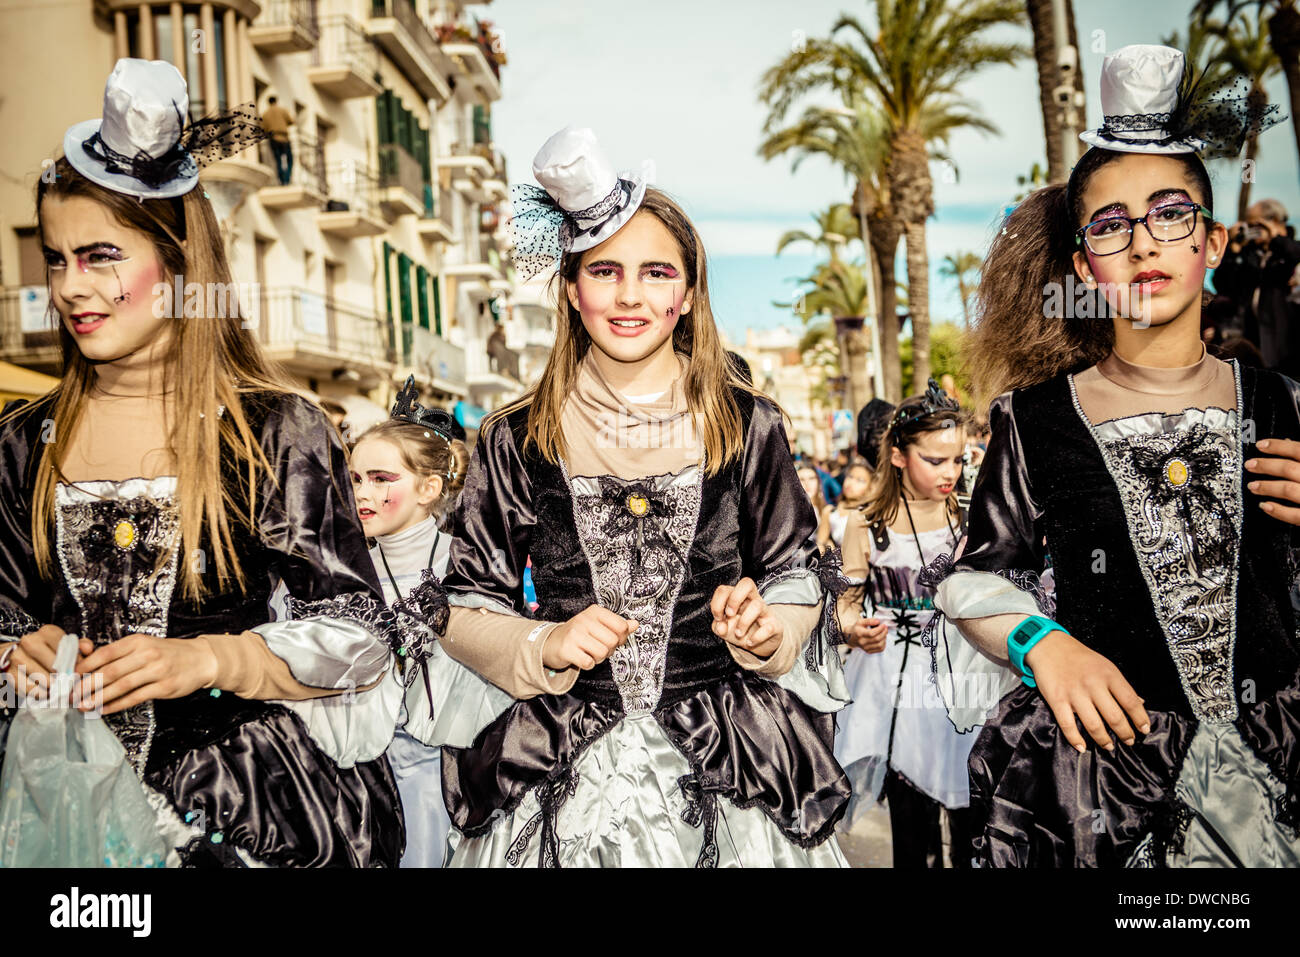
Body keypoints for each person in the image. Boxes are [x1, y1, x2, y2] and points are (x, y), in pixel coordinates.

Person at [0, 59, 410, 867]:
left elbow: (362, 638)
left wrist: (214, 658)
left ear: (180, 263)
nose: (71, 286)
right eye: (55, 258)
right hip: (59, 819)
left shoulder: (273, 431)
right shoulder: (20, 444)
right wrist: (19, 654)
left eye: (101, 256)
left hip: (238, 809)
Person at [432, 126, 851, 867]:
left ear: (688, 293)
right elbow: (463, 604)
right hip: (554, 757)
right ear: (571, 288)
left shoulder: (749, 422)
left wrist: (769, 628)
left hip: (727, 758)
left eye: (657, 272)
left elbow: (795, 571)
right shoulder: (512, 438)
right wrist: (543, 643)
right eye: (604, 271)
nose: (630, 295)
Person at [928, 44, 1300, 867]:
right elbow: (972, 577)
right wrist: (1039, 641)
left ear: (1213, 240)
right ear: (1083, 268)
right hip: (1114, 788)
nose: (1143, 244)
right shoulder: (1032, 421)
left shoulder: (1286, 404)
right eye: (1111, 226)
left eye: (1171, 213)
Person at [834, 385, 972, 867]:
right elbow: (846, 604)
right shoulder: (867, 524)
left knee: (973, 825)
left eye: (957, 460)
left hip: (964, 690)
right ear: (897, 455)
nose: (949, 473)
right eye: (934, 460)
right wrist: (853, 630)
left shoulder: (973, 518)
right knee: (912, 832)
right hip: (894, 692)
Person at [348, 378, 470, 867]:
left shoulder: (467, 568)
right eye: (355, 479)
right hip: (361, 795)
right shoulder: (339, 573)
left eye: (381, 479)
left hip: (445, 789)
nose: (363, 493)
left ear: (429, 488)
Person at [1213, 198, 1300, 374]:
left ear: (1274, 221)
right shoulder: (1252, 256)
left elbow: (1294, 253)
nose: (1251, 231)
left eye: (1254, 225)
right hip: (1257, 343)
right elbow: (1224, 285)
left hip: (1288, 348)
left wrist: (1275, 237)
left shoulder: (1290, 250)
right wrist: (1233, 249)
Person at [828, 457, 871, 547]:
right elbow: (821, 541)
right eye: (850, 476)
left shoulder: (869, 514)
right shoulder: (830, 511)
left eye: (860, 480)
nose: (851, 483)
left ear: (871, 488)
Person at [798, 461, 834, 550]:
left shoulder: (825, 508)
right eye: (801, 479)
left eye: (812, 478)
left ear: (818, 481)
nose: (807, 483)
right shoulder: (791, 513)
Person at [261, 95, 294, 186]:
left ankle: (282, 180)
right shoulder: (282, 110)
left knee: (278, 160)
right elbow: (291, 121)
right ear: (276, 101)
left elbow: (263, 128)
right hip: (284, 138)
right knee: (289, 159)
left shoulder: (265, 114)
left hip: (274, 139)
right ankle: (287, 178)